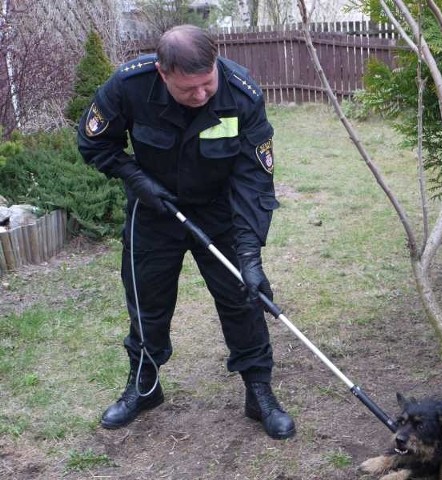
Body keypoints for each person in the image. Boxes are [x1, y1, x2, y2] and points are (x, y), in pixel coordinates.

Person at [77, 24, 295, 440]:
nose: (200, 96)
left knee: (241, 299)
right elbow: (93, 142)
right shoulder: (129, 85)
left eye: (206, 84)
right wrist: (136, 180)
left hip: (220, 210)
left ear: (216, 65)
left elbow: (254, 181)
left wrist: (249, 256)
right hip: (155, 209)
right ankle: (144, 386)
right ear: (162, 72)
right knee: (147, 301)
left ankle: (259, 392)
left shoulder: (242, 94)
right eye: (187, 89)